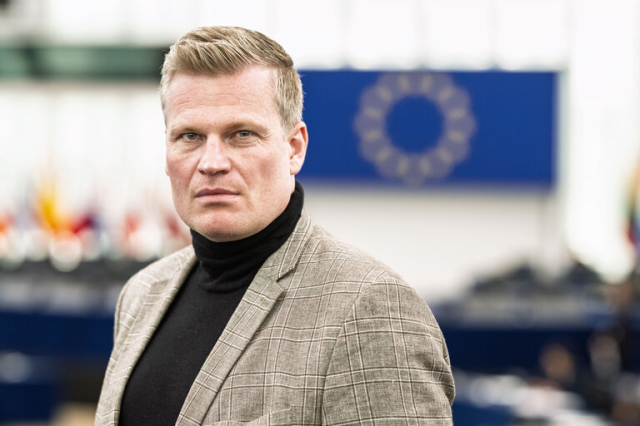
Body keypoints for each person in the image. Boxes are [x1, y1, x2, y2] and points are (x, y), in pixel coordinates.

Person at [95, 26, 454, 425]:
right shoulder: (141, 295)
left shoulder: (371, 310)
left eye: (241, 134)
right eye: (190, 136)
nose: (211, 162)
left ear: (294, 148)